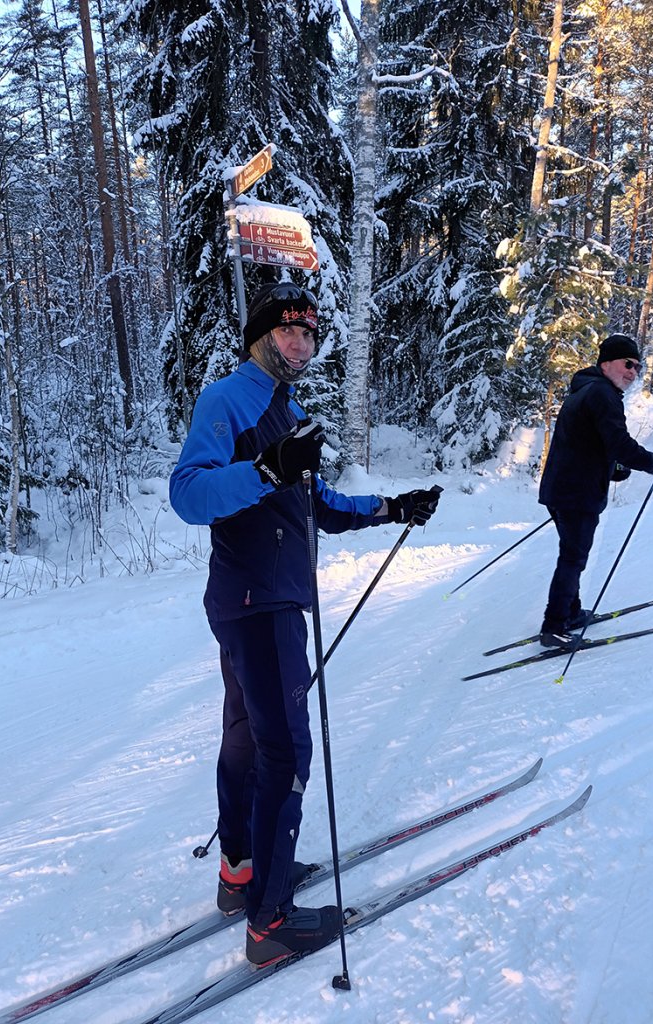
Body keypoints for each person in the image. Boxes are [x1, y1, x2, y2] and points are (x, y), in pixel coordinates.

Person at [169, 281, 441, 967]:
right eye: (289, 331)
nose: (302, 343)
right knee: (287, 751)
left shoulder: (288, 411)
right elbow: (189, 494)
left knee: (248, 742)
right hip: (259, 600)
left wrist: (391, 507)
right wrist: (265, 467)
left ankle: (242, 874)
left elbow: (317, 502)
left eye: (310, 334)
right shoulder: (229, 399)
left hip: (259, 601)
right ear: (262, 336)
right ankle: (271, 923)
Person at [538, 333, 653, 649]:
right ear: (607, 362)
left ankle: (570, 613)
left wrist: (611, 466)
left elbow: (586, 442)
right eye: (628, 364)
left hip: (562, 489)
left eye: (638, 368)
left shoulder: (585, 390)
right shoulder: (602, 393)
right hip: (577, 493)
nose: (632, 372)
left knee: (571, 555)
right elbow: (619, 444)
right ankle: (554, 626)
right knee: (573, 559)